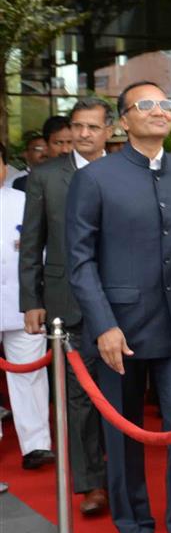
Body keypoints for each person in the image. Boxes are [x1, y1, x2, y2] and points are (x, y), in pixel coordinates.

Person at [66, 81, 171, 533]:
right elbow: (79, 262)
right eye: (144, 105)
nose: (158, 110)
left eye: (164, 104)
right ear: (123, 122)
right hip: (119, 332)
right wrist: (103, 325)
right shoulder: (98, 178)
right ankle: (137, 529)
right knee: (123, 437)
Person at [18, 98, 115, 511]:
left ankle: (122, 474)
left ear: (109, 130)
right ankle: (92, 482)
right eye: (78, 126)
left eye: (93, 126)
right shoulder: (45, 176)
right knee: (78, 396)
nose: (84, 134)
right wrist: (31, 300)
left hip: (120, 299)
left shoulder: (124, 170)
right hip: (66, 300)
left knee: (117, 395)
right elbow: (33, 243)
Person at [1, 146, 53, 467]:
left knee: (31, 374)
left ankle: (36, 445)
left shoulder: (23, 203)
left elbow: (43, 251)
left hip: (25, 303)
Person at [13, 117, 73, 194]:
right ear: (47, 145)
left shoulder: (89, 177)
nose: (65, 150)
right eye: (58, 143)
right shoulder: (26, 184)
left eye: (70, 142)